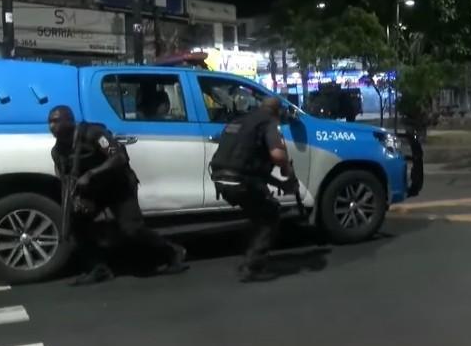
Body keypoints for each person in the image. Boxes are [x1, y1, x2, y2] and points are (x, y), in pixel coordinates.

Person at [49, 105, 188, 285]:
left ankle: (173, 251)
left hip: (119, 185)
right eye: (50, 122)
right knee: (77, 224)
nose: (52, 126)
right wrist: (73, 200)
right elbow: (65, 177)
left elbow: (119, 158)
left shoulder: (93, 134)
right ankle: (98, 268)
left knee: (132, 229)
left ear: (70, 120)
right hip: (95, 191)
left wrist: (92, 174)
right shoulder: (58, 151)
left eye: (56, 121)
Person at [210, 96, 299, 282]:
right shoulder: (268, 122)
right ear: (277, 112)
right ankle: (252, 265)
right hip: (241, 180)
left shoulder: (240, 121)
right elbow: (277, 155)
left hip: (220, 178)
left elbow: (253, 170)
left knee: (258, 212)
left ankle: (251, 254)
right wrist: (287, 169)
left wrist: (282, 185)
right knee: (271, 214)